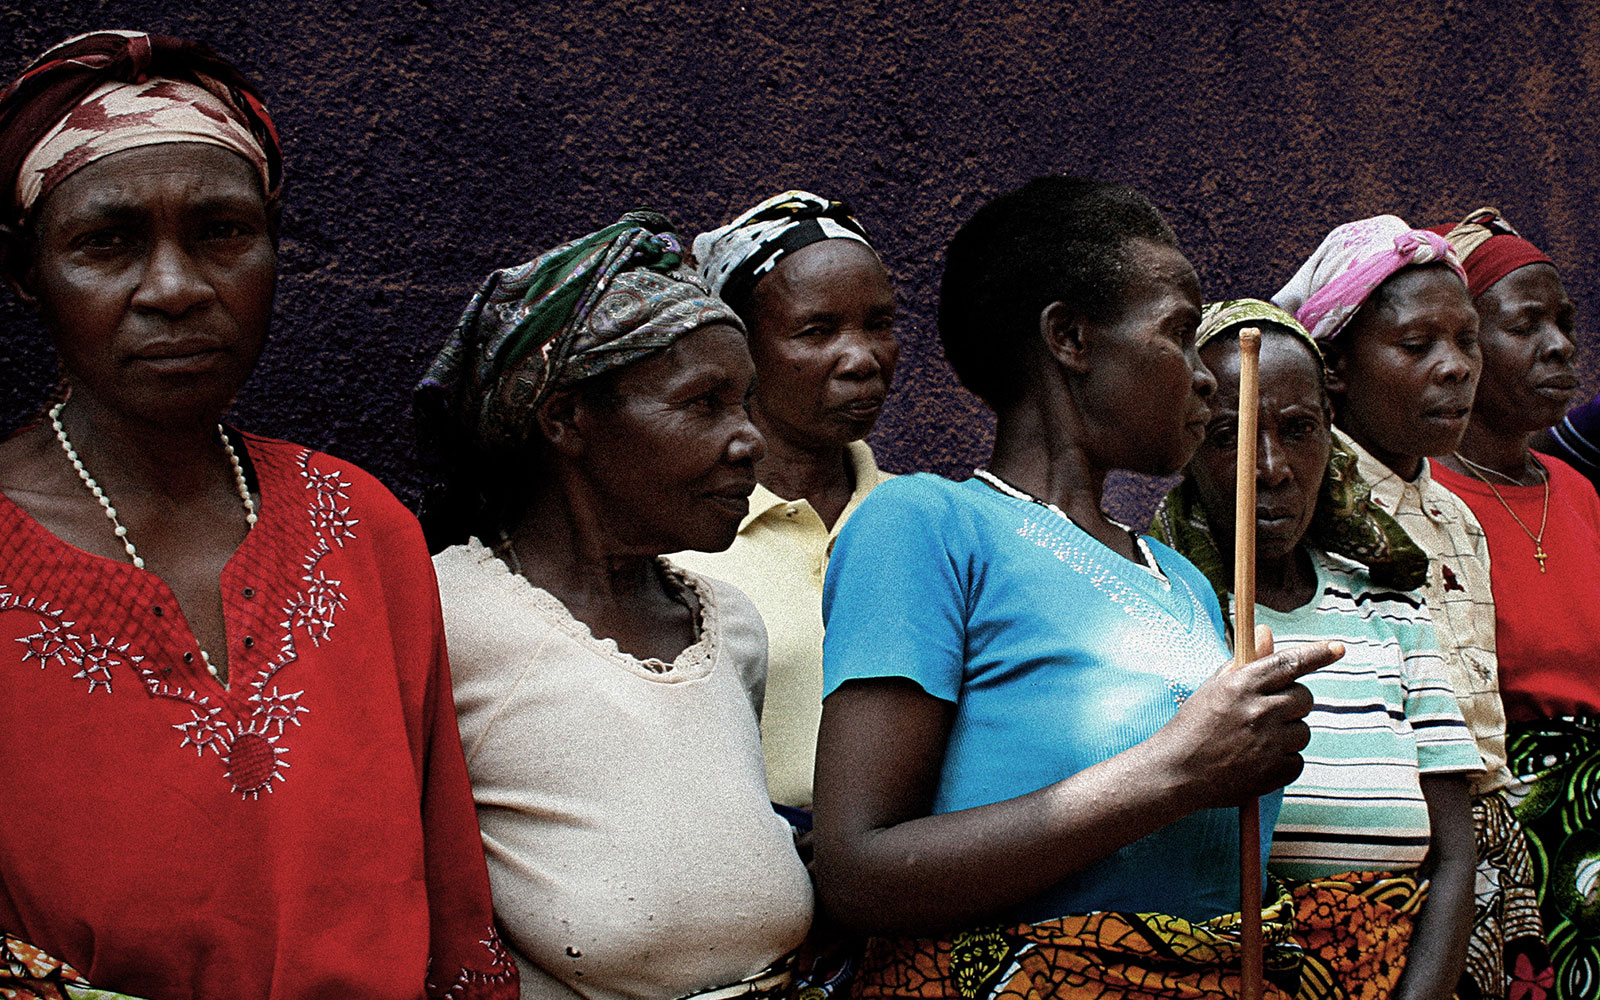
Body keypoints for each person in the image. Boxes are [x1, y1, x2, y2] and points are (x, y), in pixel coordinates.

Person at [0, 30, 515, 1000]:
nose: (175, 288)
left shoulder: (364, 530)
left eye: (222, 233)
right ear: (25, 271)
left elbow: (454, 907)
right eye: (106, 241)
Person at [812, 176, 1347, 1000]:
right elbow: (858, 871)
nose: (1205, 377)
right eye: (1176, 332)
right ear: (1070, 337)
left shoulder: (1185, 585)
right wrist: (1176, 769)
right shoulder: (927, 524)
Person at [414, 212, 813, 1000]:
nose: (749, 440)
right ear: (565, 419)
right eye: (704, 404)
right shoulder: (445, 616)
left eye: (746, 404)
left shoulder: (727, 625)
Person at [1151, 299, 1482, 999]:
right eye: (1227, 436)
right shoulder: (1163, 609)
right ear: (1184, 446)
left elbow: (1454, 857)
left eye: (1297, 430)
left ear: (1331, 438)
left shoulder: (1391, 607)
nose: (1268, 467)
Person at [1274, 215, 1553, 999]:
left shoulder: (1457, 516)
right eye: (1416, 345)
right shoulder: (1304, 509)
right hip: (1385, 845)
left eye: (1466, 341)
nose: (1456, 368)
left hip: (1485, 834)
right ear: (1332, 366)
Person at [670, 191, 897, 813]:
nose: (863, 359)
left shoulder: (928, 519)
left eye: (879, 324)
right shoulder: (684, 542)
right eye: (816, 331)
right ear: (741, 351)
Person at [1426, 208, 1600, 992]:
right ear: (1464, 347)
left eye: (1563, 322)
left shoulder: (1582, 495)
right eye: (1526, 324)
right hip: (1499, 836)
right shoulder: (1423, 504)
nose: (1560, 344)